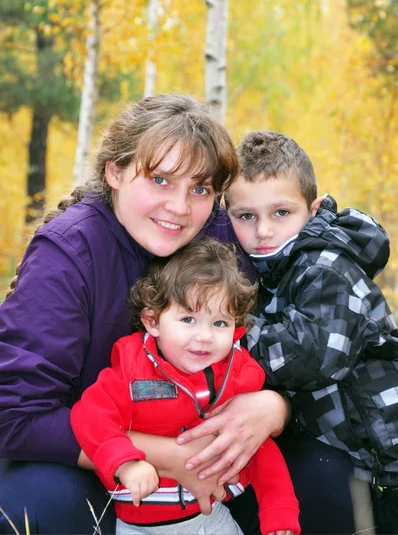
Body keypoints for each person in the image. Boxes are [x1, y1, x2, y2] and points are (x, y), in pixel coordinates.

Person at [0, 95, 289, 535]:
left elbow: (289, 354)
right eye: (160, 180)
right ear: (115, 172)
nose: (180, 207)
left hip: (208, 456)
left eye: (200, 189)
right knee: (43, 507)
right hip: (89, 459)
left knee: (323, 476)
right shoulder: (67, 254)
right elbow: (15, 418)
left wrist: (274, 407)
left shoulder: (220, 238)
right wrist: (171, 458)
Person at [225, 129, 398, 535]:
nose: (263, 231)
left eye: (281, 213)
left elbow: (312, 357)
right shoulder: (271, 270)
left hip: (386, 464)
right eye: (246, 216)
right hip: (347, 460)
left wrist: (228, 329)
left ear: (313, 208)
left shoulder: (327, 267)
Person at [71, 238, 301, 535]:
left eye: (219, 323)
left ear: (236, 330)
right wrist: (125, 464)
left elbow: (258, 448)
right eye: (189, 319)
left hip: (211, 519)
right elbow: (90, 418)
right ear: (152, 321)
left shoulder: (238, 376)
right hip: (138, 525)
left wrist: (278, 509)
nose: (205, 336)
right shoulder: (132, 371)